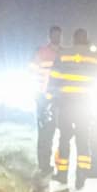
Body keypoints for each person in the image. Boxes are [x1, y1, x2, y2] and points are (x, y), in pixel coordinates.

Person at [46, 28, 97, 184]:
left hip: (66, 103)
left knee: (64, 137)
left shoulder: (63, 55)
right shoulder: (95, 58)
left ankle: (62, 174)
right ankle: (81, 174)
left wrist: (50, 98)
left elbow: (54, 78)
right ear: (86, 39)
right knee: (83, 138)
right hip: (85, 104)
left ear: (73, 39)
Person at [32, 25, 63, 173]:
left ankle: (60, 164)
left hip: (60, 98)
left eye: (58, 35)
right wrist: (38, 95)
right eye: (54, 35)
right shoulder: (41, 53)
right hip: (43, 98)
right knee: (45, 133)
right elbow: (32, 73)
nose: (57, 38)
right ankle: (44, 165)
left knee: (64, 133)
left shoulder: (64, 53)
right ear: (50, 36)